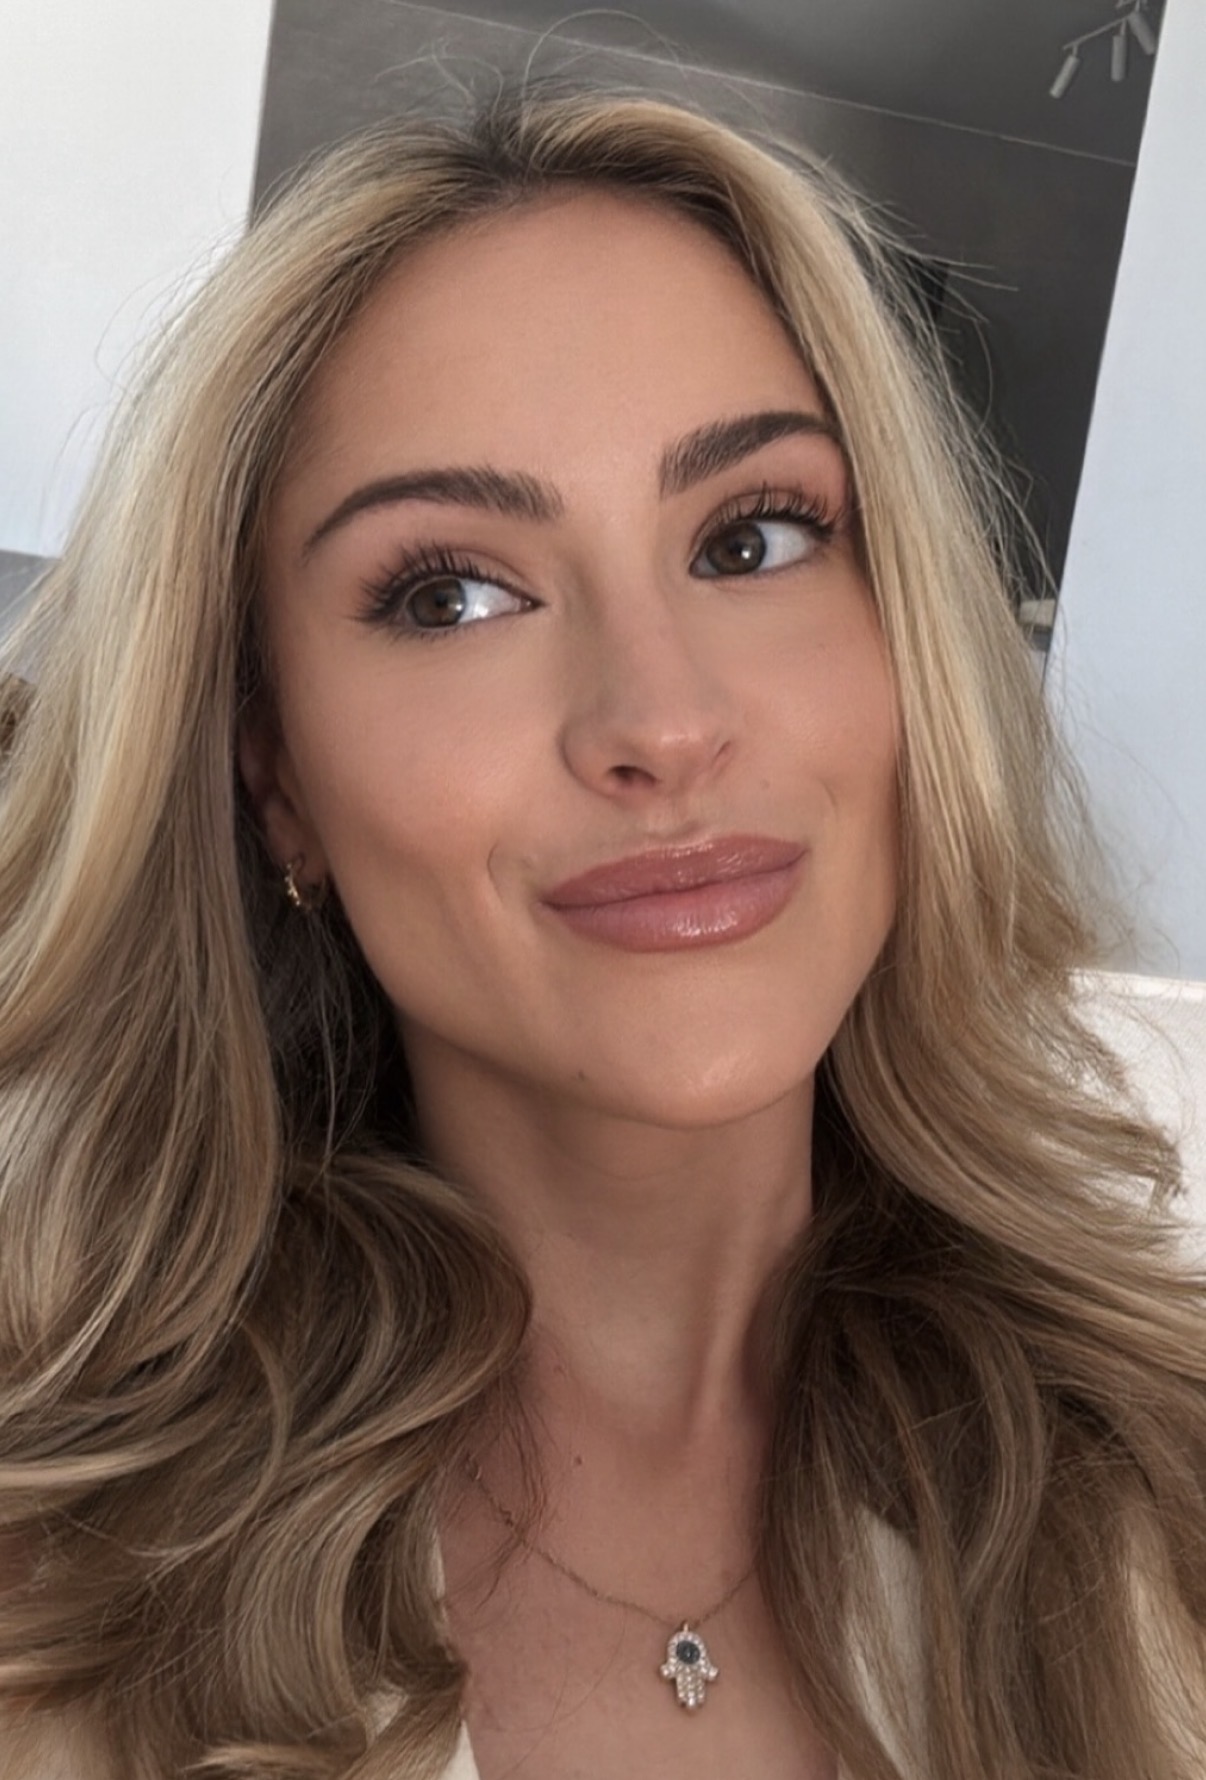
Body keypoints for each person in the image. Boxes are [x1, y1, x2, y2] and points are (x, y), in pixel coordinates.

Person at [0, 84, 1203, 1780]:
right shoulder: (49, 1582)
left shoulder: (1168, 1493)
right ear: (271, 776)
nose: (661, 719)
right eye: (451, 594)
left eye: (752, 536)